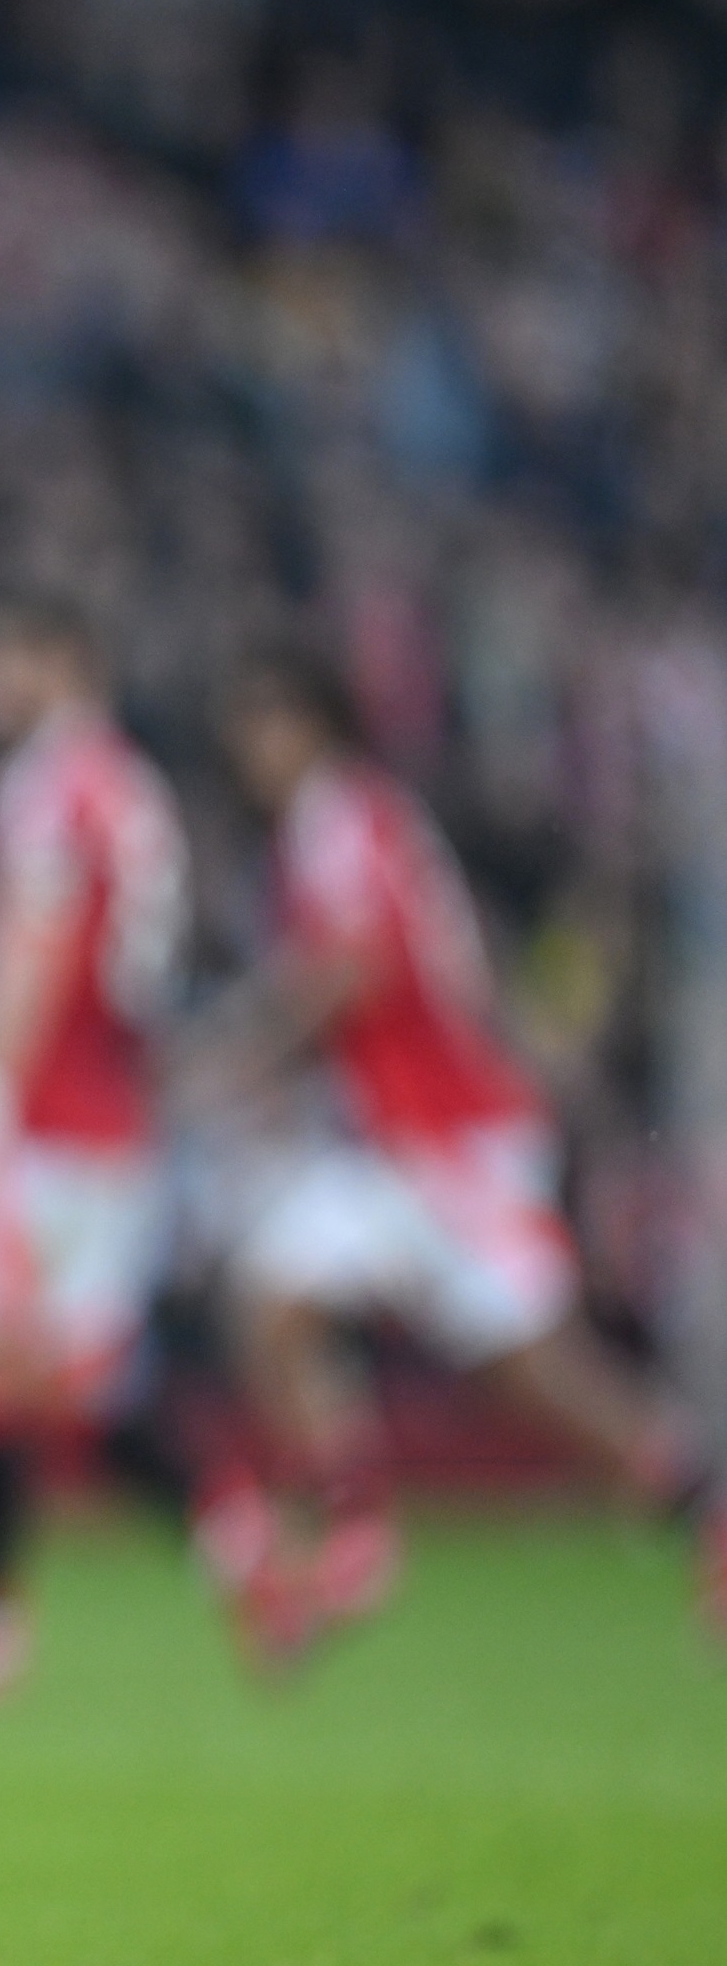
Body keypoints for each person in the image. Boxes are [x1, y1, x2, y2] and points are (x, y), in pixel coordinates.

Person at [212, 654, 716, 1661]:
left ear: (315, 724)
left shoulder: (342, 819)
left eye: (266, 725)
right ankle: (356, 1533)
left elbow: (351, 968)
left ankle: (707, 1502)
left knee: (539, 1376)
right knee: (272, 1295)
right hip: (399, 1143)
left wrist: (241, 1047)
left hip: (458, 1142)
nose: (250, 751)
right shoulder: (349, 821)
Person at [0, 600, 192, 1698]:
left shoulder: (47, 784)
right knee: (55, 1366)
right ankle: (236, 1534)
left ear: (58, 660)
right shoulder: (133, 786)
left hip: (43, 1120)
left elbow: (40, 941)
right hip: (112, 1116)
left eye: (4, 652)